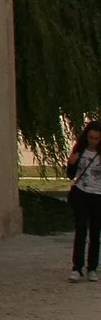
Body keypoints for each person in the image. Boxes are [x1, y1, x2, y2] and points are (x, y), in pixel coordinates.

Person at [69, 120, 101, 282]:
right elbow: (70, 175)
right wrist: (71, 163)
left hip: (98, 195)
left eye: (96, 138)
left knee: (95, 232)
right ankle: (77, 268)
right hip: (81, 192)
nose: (93, 141)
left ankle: (93, 268)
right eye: (91, 137)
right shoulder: (80, 150)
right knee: (81, 228)